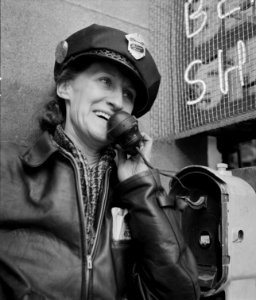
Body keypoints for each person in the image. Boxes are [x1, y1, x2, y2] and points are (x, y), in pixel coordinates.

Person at [0, 24, 200, 300]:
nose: (118, 101)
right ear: (65, 87)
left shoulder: (137, 192)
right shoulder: (7, 167)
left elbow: (179, 294)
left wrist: (139, 190)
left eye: (128, 95)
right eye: (105, 81)